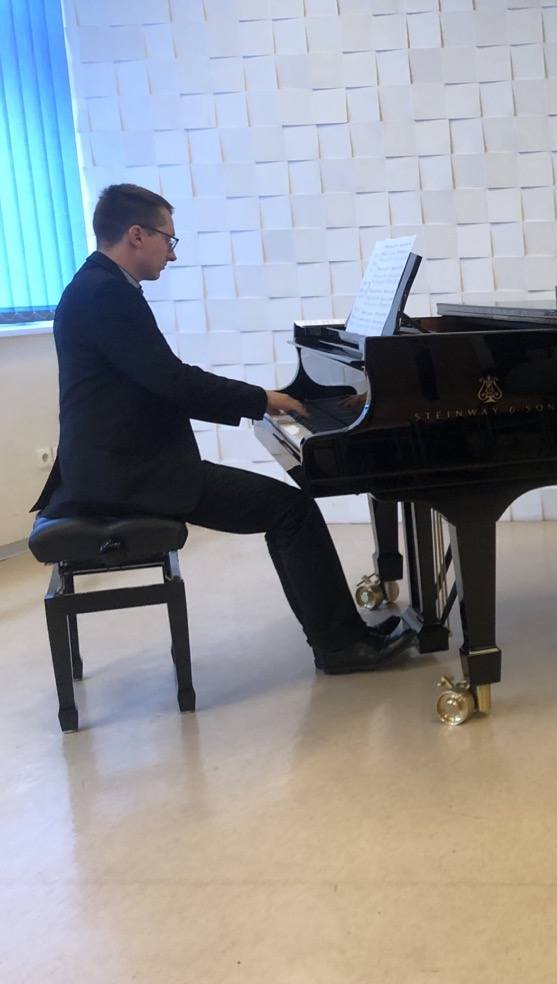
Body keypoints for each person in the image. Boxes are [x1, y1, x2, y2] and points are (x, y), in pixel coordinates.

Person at [32, 183, 414, 674]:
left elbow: (162, 380)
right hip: (126, 477)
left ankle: (340, 637)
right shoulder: (105, 295)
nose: (172, 254)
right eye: (169, 239)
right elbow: (173, 381)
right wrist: (261, 400)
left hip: (117, 465)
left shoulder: (96, 286)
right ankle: (341, 646)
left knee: (286, 509)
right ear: (136, 235)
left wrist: (257, 400)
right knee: (291, 510)